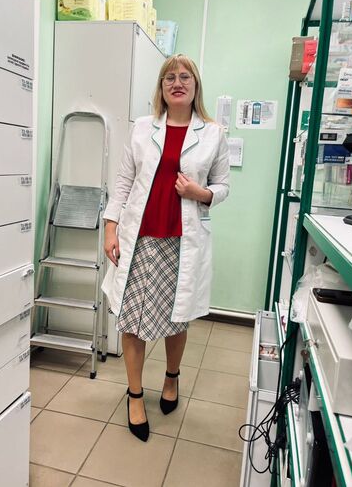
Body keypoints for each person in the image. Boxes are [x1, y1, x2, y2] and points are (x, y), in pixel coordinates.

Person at [102, 53, 229, 442]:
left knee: (177, 319)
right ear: (161, 87)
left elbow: (223, 185)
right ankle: (135, 395)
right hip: (140, 239)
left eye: (185, 77)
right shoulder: (143, 128)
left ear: (195, 86)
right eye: (170, 77)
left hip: (182, 242)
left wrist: (200, 193)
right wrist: (110, 228)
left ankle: (172, 376)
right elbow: (123, 182)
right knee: (132, 320)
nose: (177, 82)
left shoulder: (213, 133)